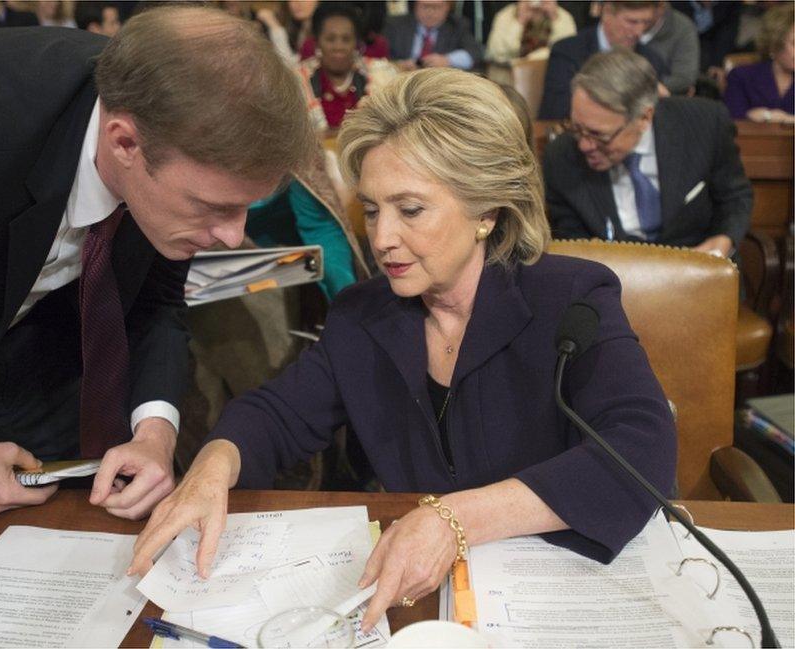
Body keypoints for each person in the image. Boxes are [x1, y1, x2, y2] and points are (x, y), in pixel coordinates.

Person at [129, 68, 677, 631]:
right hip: (414, 607)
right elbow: (277, 414)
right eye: (371, 209)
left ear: (487, 211)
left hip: (553, 602)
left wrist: (452, 519)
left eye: (410, 210)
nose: (382, 236)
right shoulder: (362, 315)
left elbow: (643, 450)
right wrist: (213, 466)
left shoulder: (573, 297)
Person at [0, 6, 314, 517]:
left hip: (48, 374)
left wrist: (155, 433)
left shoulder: (171, 131)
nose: (234, 238)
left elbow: (156, 300)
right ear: (124, 142)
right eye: (214, 208)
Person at [544, 50, 751, 257]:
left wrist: (723, 242)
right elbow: (574, 247)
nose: (584, 146)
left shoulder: (705, 123)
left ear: (644, 118)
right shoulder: (561, 157)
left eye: (599, 135)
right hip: (614, 280)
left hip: (700, 269)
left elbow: (735, 196)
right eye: (577, 128)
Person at [538, 0, 669, 119]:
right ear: (607, 13)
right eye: (632, 22)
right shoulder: (568, 51)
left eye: (646, 23)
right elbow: (556, 110)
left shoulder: (651, 59)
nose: (639, 32)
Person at [297, 2, 398, 131]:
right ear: (317, 42)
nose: (338, 47)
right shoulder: (298, 80)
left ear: (356, 42)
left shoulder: (381, 74)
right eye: (330, 39)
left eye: (346, 39)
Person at [723, 2, 794, 124]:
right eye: (794, 43)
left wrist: (783, 118)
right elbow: (731, 123)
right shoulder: (741, 76)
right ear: (774, 44)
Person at [383, 0, 484, 72]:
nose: (430, 12)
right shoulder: (395, 25)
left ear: (448, 7)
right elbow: (379, 56)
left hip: (439, 84)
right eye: (425, 6)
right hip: (401, 80)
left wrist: (447, 60)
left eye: (436, 7)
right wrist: (399, 65)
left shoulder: (457, 25)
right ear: (415, 5)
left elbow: (475, 53)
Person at [486, 0, 577, 64]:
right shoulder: (506, 16)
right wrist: (520, 21)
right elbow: (496, 54)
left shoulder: (562, 16)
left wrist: (554, 18)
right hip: (512, 77)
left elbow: (567, 52)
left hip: (550, 74)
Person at [640, 1, 701, 95]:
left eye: (642, 7)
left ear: (660, 8)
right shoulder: (615, 20)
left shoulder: (683, 28)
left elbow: (684, 78)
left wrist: (644, 86)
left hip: (661, 97)